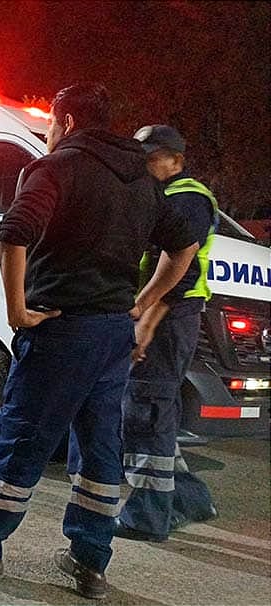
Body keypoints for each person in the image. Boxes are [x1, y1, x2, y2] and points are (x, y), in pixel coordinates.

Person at [0, 83, 200, 601]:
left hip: (62, 329)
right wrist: (140, 302)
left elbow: (15, 230)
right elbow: (185, 245)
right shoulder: (141, 177)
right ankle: (89, 561)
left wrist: (16, 311)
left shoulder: (57, 168)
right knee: (99, 446)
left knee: (23, 435)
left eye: (49, 124)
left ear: (66, 122)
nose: (47, 133)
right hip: (114, 332)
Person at [115, 125, 219, 542]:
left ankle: (147, 516)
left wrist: (145, 320)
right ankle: (191, 499)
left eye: (154, 155)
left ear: (176, 159)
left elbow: (183, 267)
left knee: (146, 412)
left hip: (170, 317)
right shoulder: (168, 194)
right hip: (174, 317)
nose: (146, 162)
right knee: (159, 412)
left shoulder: (186, 196)